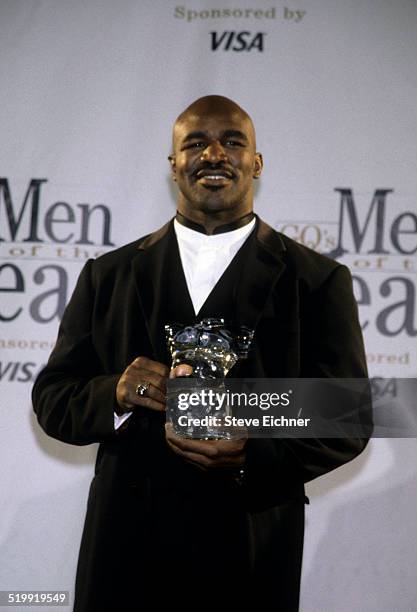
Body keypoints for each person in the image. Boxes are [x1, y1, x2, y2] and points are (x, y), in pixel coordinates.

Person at [32, 95, 371, 611]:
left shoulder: (318, 280)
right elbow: (54, 398)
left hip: (252, 547)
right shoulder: (108, 275)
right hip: (125, 548)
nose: (214, 154)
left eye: (233, 142)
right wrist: (116, 393)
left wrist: (250, 450)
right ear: (174, 166)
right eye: (195, 143)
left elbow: (349, 413)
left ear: (257, 163)